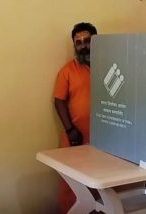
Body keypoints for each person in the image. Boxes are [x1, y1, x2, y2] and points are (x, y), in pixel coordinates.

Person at [53, 22, 97, 214]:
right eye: (78, 42)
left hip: (106, 139)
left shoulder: (111, 65)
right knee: (73, 187)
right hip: (76, 138)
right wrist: (70, 130)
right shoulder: (67, 71)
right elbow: (59, 101)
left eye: (87, 41)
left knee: (104, 185)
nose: (83, 46)